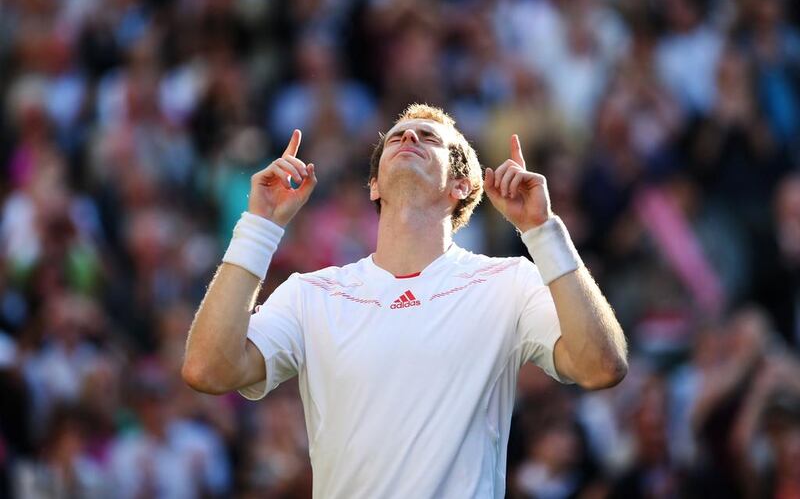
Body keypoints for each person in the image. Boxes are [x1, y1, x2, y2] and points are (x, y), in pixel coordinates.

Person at [182, 104, 628, 498]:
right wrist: (260, 226)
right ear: (374, 185)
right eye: (397, 136)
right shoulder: (309, 293)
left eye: (428, 137)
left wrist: (543, 231)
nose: (409, 136)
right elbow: (208, 369)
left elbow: (601, 366)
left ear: (460, 185)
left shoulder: (508, 281)